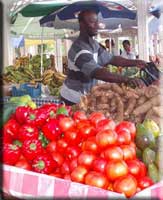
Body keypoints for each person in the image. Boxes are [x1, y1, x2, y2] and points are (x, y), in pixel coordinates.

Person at [60, 10, 147, 105]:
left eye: (97, 22)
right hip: (72, 98)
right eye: (92, 22)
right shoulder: (78, 48)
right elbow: (98, 73)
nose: (97, 25)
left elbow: (112, 59)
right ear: (82, 24)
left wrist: (135, 62)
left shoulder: (94, 44)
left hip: (86, 96)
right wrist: (127, 79)